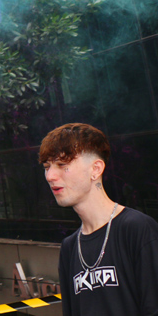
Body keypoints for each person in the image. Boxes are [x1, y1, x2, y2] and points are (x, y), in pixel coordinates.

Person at [40, 123, 158, 315]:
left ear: (96, 169)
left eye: (62, 165)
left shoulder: (137, 228)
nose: (50, 176)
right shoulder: (69, 247)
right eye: (46, 167)